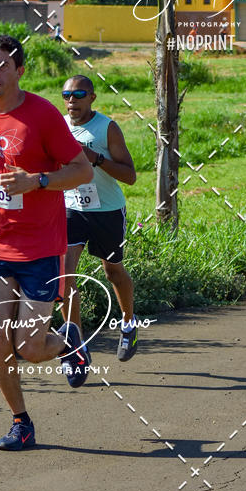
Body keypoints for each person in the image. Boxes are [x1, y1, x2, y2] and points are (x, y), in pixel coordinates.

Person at [0, 35, 93, 451]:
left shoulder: (43, 116)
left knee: (29, 346)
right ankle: (21, 423)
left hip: (41, 249)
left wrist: (37, 181)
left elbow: (82, 172)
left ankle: (68, 341)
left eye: (3, 65)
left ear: (20, 70)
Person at [60, 75, 138, 362]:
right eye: (66, 95)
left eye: (79, 94)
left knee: (112, 271)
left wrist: (95, 158)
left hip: (107, 211)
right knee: (64, 276)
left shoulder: (107, 128)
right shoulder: (58, 127)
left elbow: (130, 176)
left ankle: (128, 324)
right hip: (72, 209)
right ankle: (76, 343)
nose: (72, 100)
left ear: (92, 97)